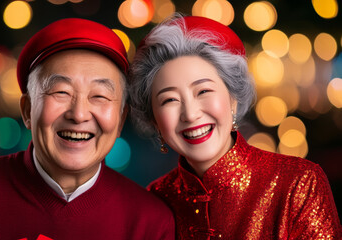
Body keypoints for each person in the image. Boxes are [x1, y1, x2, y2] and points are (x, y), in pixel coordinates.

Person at [0, 18, 175, 240]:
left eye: (99, 96)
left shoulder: (150, 223)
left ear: (120, 118)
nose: (79, 114)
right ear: (27, 110)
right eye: (60, 92)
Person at [129, 14, 342, 239]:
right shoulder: (154, 199)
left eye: (203, 91)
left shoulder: (298, 184)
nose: (190, 115)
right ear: (154, 119)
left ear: (233, 98)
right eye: (169, 100)